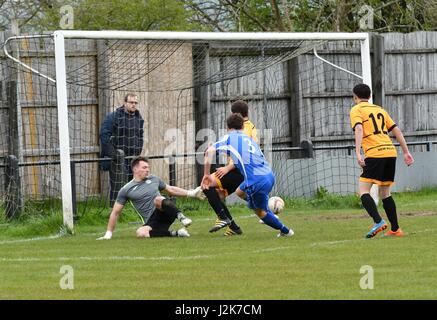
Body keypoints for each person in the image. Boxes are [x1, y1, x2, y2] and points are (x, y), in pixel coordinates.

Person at [201, 113, 294, 237]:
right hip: (269, 175)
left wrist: (206, 174)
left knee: (259, 212)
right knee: (240, 191)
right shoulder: (248, 139)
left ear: (228, 127)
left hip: (256, 180)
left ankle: (285, 231)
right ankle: (266, 210)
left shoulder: (229, 138)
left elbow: (209, 151)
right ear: (242, 127)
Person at [350, 84, 414, 238]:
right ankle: (396, 229)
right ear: (370, 96)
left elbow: (359, 129)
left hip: (375, 153)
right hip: (390, 152)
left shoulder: (356, 109)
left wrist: (358, 152)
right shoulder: (380, 109)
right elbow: (396, 130)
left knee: (363, 190)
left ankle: (378, 221)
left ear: (355, 97)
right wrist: (406, 152)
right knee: (385, 192)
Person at [97, 156, 205, 240]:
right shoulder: (126, 189)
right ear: (135, 169)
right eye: (144, 167)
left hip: (165, 212)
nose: (147, 170)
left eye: (148, 167)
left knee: (158, 199)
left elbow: (171, 189)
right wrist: (108, 234)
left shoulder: (154, 179)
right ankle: (176, 233)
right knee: (141, 233)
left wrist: (192, 193)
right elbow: (115, 212)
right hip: (152, 221)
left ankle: (182, 217)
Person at [203, 100, 258, 236]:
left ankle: (223, 218)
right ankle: (233, 227)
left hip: (237, 170)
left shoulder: (242, 129)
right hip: (245, 170)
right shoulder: (250, 126)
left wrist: (228, 168)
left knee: (207, 184)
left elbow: (243, 155)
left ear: (236, 115)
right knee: (218, 195)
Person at [100, 93, 144, 205]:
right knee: (118, 186)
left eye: (135, 103)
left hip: (133, 158)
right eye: (131, 102)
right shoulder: (114, 116)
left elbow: (140, 136)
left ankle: (130, 208)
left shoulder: (138, 118)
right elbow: (104, 134)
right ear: (125, 103)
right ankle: (114, 208)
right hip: (118, 158)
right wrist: (113, 154)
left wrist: (138, 151)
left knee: (133, 184)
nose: (133, 105)